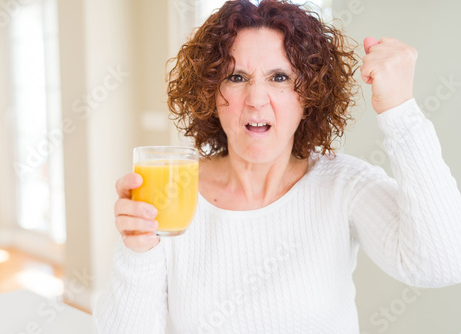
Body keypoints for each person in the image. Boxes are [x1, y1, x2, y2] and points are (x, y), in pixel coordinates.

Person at [93, 0, 461, 333]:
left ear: (310, 95)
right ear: (210, 92)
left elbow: (441, 263)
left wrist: (401, 113)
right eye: (236, 77)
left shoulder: (344, 185)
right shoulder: (173, 192)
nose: (255, 99)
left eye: (279, 77)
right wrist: (137, 252)